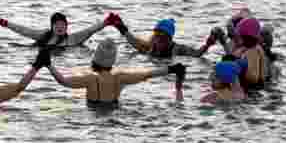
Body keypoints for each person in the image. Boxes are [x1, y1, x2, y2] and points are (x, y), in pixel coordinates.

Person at [44, 38, 186, 106]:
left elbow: (62, 81)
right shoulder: (120, 78)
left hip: (94, 116)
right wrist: (172, 69)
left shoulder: (90, 79)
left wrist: (48, 64)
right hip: (115, 113)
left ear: (95, 59)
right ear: (112, 61)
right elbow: (148, 74)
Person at [106, 14, 218, 58]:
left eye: (162, 37)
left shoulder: (178, 49)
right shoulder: (151, 46)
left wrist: (207, 45)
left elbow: (196, 54)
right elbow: (134, 42)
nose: (158, 39)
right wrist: (121, 27)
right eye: (156, 35)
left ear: (169, 39)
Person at [0, 11, 107, 49]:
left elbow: (90, 30)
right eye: (57, 25)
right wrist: (5, 23)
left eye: (63, 24)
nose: (60, 27)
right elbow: (24, 31)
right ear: (51, 26)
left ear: (67, 26)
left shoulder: (73, 39)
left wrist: (107, 22)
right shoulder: (43, 35)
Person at [229, 18, 269, 90]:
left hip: (252, 89)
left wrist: (240, 69)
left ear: (246, 37)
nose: (237, 38)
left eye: (239, 36)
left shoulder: (252, 52)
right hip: (257, 87)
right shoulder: (253, 48)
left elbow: (253, 78)